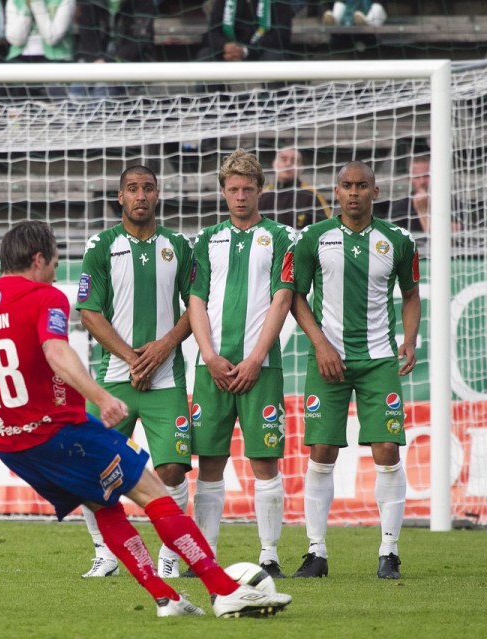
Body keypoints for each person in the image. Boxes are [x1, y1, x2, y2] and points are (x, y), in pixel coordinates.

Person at [0, 219, 292, 617]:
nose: (56, 269)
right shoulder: (45, 296)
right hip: (60, 432)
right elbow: (56, 351)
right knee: (154, 492)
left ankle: (167, 598)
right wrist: (101, 397)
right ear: (38, 259)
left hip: (11, 446)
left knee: (104, 504)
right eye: (54, 260)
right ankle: (225, 591)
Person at [290, 160, 420, 580]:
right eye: (346, 185)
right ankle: (316, 552)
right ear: (337, 190)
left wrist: (410, 339)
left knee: (387, 450)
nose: (353, 192)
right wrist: (320, 344)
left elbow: (411, 294)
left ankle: (389, 552)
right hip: (328, 359)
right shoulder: (314, 237)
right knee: (321, 451)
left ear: (374, 191)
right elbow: (295, 296)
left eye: (361, 185)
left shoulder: (398, 240)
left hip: (379, 359)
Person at [75, 165, 194, 579]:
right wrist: (132, 358)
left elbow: (196, 306)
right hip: (114, 380)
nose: (140, 195)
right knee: (93, 468)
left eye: (147, 188)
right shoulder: (101, 246)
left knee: (172, 470)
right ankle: (105, 553)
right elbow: (89, 313)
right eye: (132, 189)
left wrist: (162, 348)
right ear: (120, 196)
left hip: (166, 380)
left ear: (157, 194)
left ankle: (170, 555)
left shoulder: (179, 245)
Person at [188, 149, 295, 579]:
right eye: (233, 189)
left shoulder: (281, 237)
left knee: (265, 461)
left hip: (260, 367)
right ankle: (205, 555)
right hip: (211, 367)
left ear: (260, 190)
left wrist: (255, 358)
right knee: (210, 462)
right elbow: (195, 299)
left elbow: (282, 299)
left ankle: (269, 555)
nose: (240, 196)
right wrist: (209, 356)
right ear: (223, 191)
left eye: (247, 189)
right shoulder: (205, 239)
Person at [375, 154, 462, 235]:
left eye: (426, 176)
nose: (422, 182)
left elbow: (452, 236)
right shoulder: (400, 207)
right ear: (410, 179)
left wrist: (423, 211)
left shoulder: (450, 202)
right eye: (417, 177)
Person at [196, 0, 295, 63]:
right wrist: (224, 45)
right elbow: (211, 34)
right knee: (206, 55)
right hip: (229, 51)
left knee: (274, 57)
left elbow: (281, 36)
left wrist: (245, 51)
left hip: (262, 50)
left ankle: (273, 92)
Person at [258, 146, 331, 230]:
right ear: (274, 164)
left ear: (301, 168)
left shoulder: (312, 197)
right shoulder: (262, 196)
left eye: (294, 161)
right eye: (284, 159)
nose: (288, 164)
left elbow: (327, 229)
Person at [322, 1, 386, 27]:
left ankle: (365, 22)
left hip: (371, 19)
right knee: (339, 4)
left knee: (377, 7)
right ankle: (333, 19)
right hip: (348, 21)